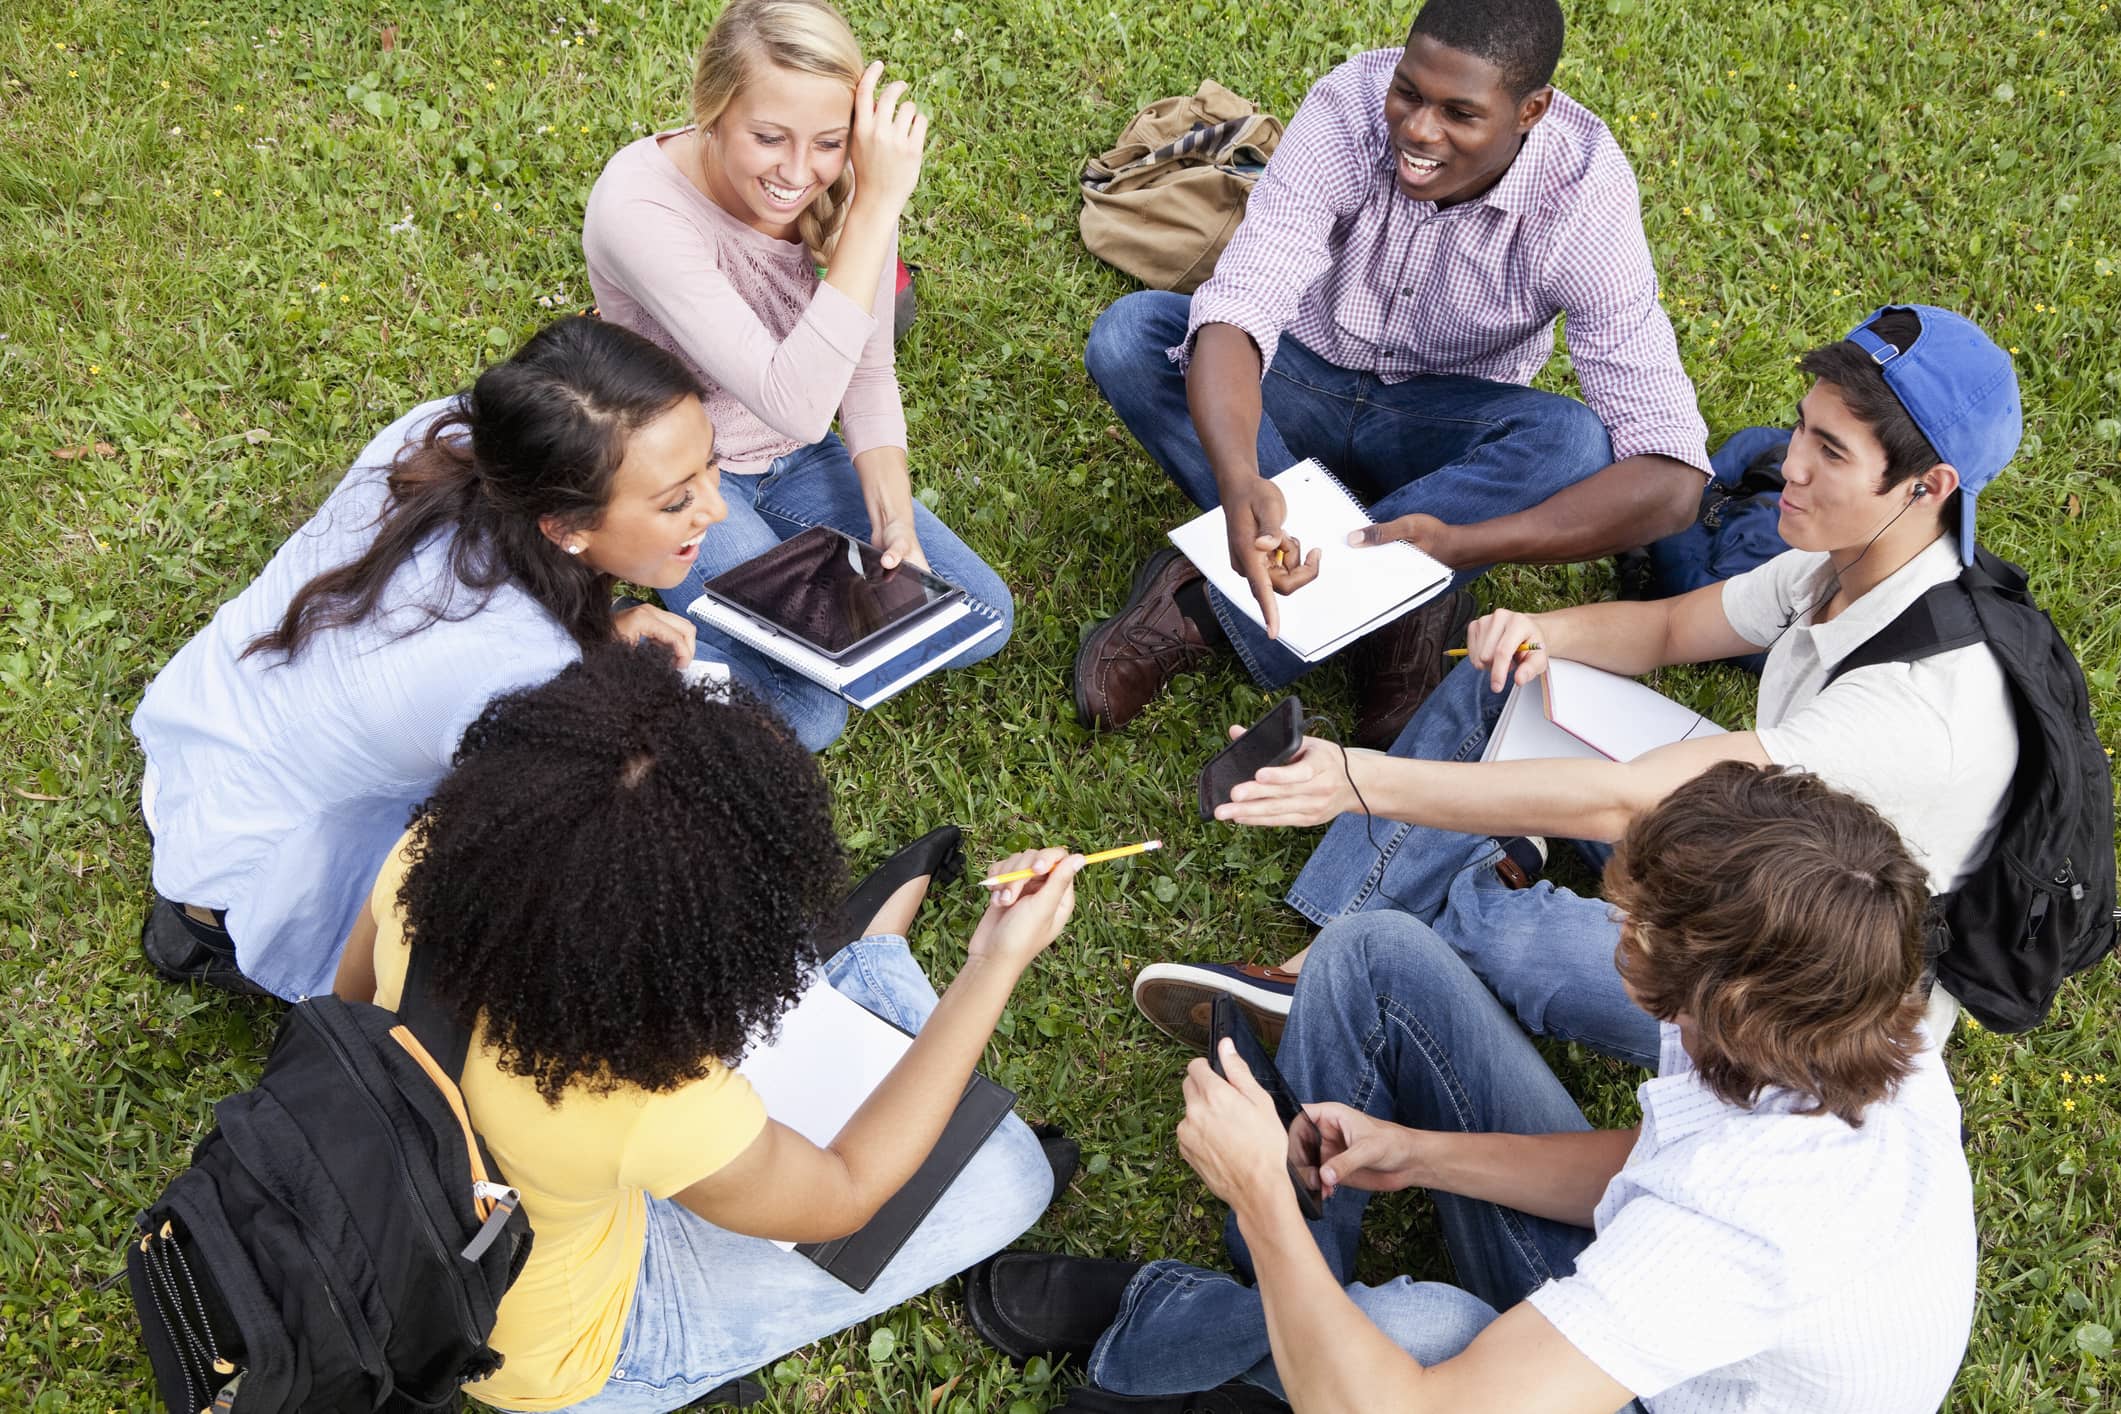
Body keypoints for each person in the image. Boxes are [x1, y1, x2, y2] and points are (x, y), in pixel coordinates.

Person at [1132, 304, 2022, 1063]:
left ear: (1925, 487)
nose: (1788, 465)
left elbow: (1626, 803)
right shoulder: (1848, 560)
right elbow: (1672, 627)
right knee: (1509, 677)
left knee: (1493, 931)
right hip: (1761, 841)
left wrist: (1357, 778)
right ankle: (1325, 957)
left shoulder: (1914, 707)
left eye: (1829, 453)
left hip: (1815, 989)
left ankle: (1445, 902)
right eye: (1799, 428)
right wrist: (1539, 633)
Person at [972, 764, 1977, 1413]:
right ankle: (1277, 1314)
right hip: (1684, 1311)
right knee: (1371, 957)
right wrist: (1418, 1154)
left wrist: (1261, 1197)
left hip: (1659, 1391)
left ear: (1726, 993)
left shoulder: (1752, 1223)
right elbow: (1657, 1164)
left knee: (1414, 1333)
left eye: (1635, 932)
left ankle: (1171, 1340)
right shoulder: (1832, 1012)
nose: (1609, 928)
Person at [332, 643, 1083, 1413]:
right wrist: (992, 964)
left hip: (415, 1221)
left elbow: (349, 1007)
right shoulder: (643, 1099)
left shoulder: (424, 856)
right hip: (564, 1358)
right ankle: (870, 957)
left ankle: (869, 954)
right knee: (1010, 1177)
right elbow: (846, 1192)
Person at [1073, 0, 1709, 746]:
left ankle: (1208, 609)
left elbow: (1671, 479)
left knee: (1570, 442)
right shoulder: (1347, 105)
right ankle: (1397, 608)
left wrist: (1465, 546)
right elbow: (1242, 302)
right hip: (1298, 377)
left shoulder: (1582, 198)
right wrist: (1243, 477)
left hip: (1437, 421)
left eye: (1458, 113)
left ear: (1530, 110)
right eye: (1408, 92)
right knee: (1133, 335)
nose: (1416, 128)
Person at [132, 317, 725, 1000]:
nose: (714, 507)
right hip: (252, 886)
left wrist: (594, 642)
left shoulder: (445, 432)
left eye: (710, 462)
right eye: (676, 499)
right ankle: (214, 935)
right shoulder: (519, 674)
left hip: (203, 739)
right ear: (563, 526)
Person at [583, 0, 1011, 751]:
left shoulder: (849, 186)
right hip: (678, 481)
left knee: (980, 617)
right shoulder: (639, 204)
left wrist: (894, 523)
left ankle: (735, 607)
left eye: (827, 143)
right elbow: (800, 401)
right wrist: (876, 206)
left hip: (796, 462)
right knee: (809, 714)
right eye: (767, 137)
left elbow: (868, 371)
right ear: (712, 112)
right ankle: (611, 652)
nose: (796, 173)